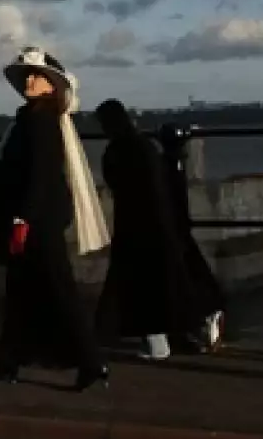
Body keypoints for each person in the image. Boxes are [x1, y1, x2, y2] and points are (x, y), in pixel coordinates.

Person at [0, 47, 110, 391]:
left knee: (57, 289)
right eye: (27, 76)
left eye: (37, 76)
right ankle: (8, 362)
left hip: (38, 221)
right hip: (33, 217)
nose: (29, 81)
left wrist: (24, 219)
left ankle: (91, 364)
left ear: (52, 86)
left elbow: (42, 174)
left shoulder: (42, 121)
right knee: (22, 292)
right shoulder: (31, 118)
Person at [91, 100, 225, 360]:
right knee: (167, 282)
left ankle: (156, 340)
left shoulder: (116, 151)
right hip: (161, 223)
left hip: (132, 223)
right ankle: (196, 322)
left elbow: (116, 183)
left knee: (138, 285)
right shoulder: (147, 147)